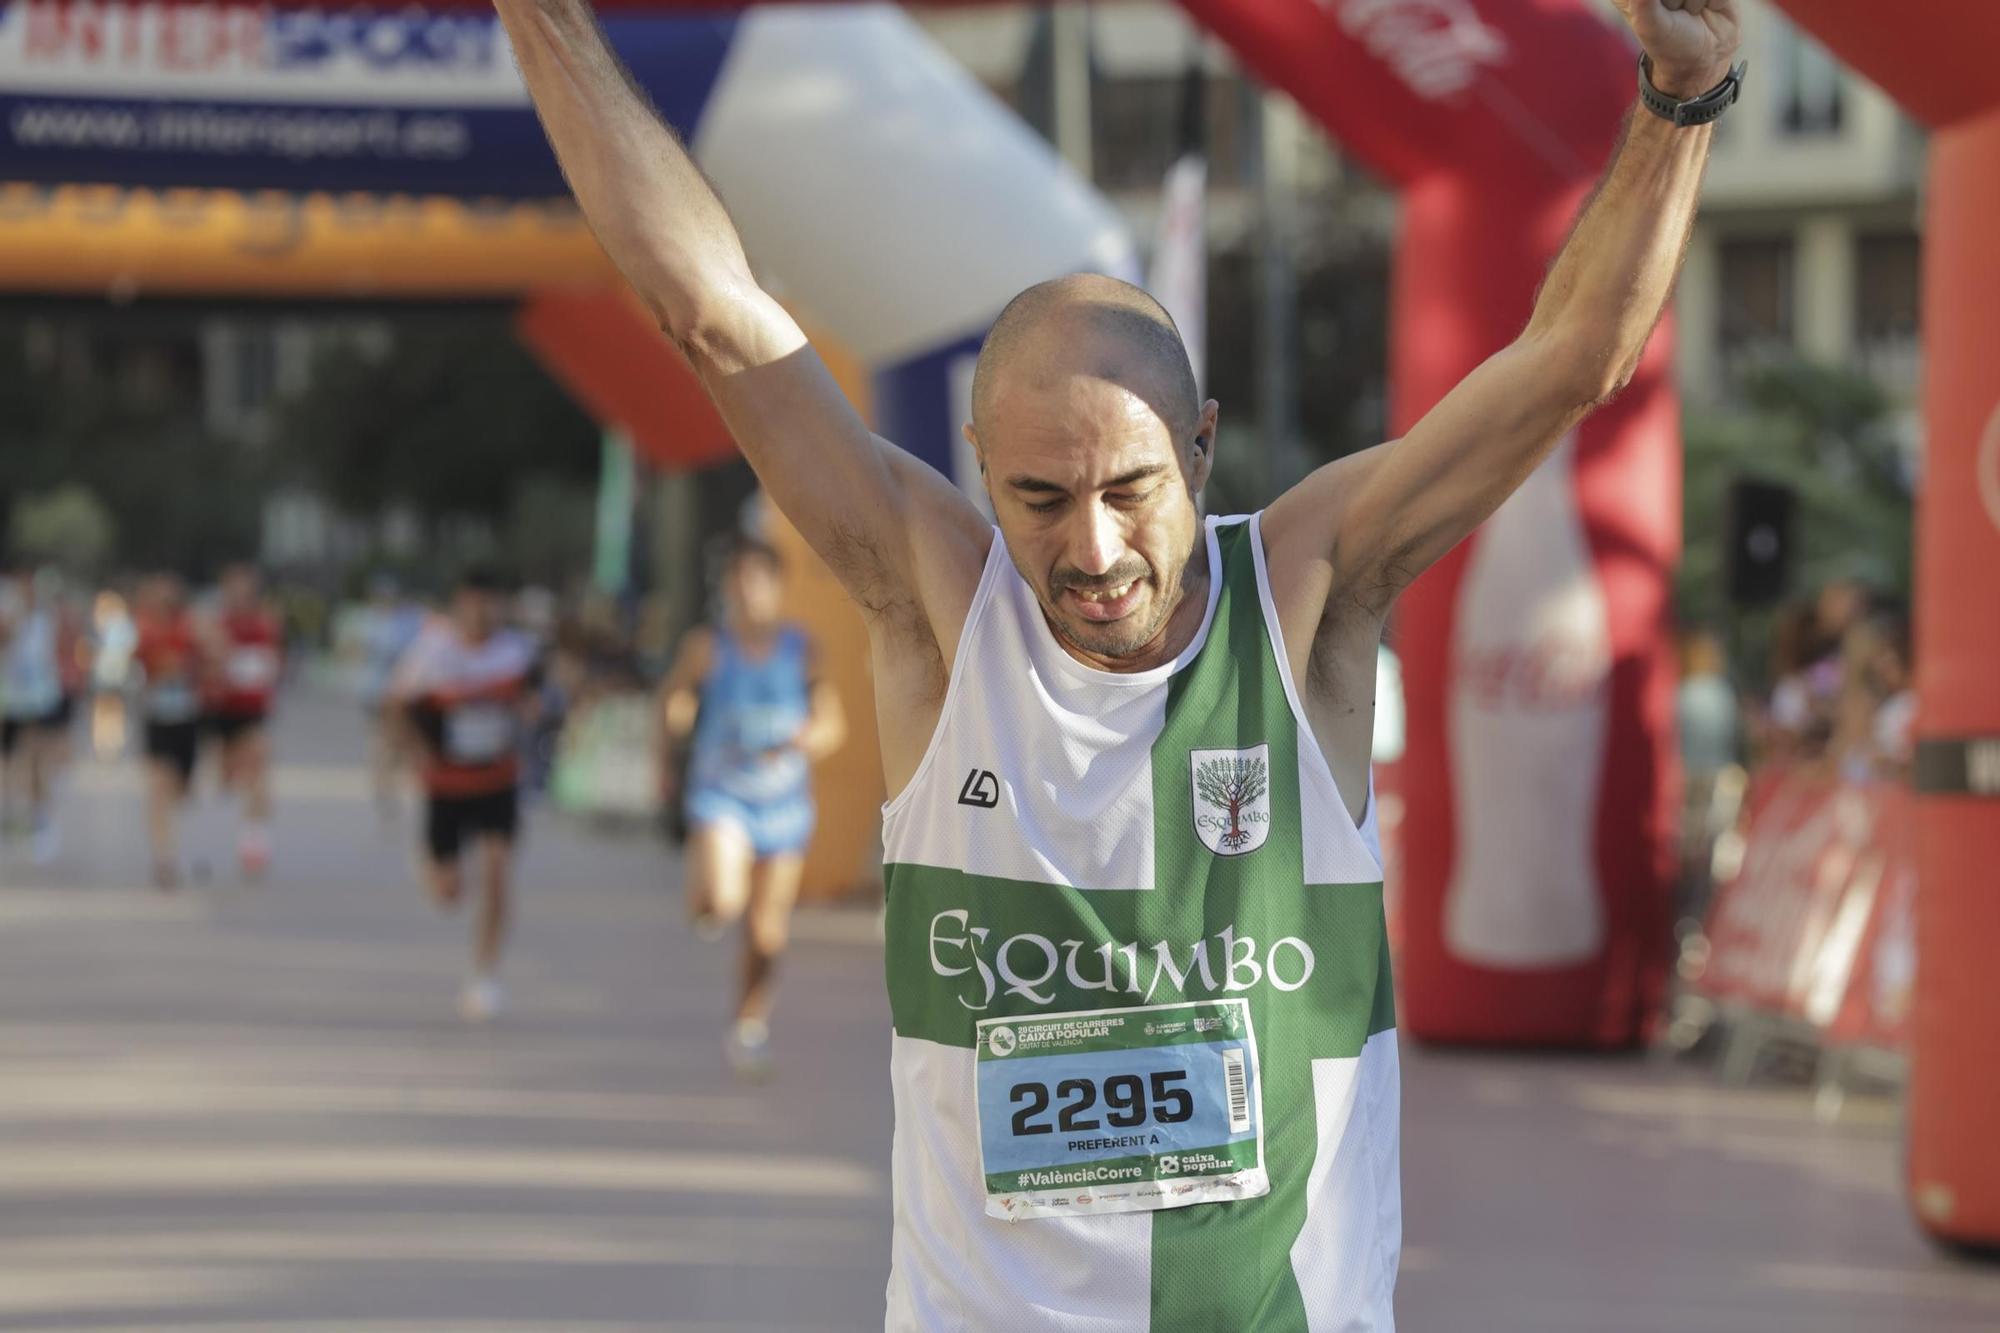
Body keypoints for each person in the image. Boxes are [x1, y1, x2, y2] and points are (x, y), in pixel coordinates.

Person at [498, 0, 1741, 1322]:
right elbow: (710, 311)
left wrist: (1679, 99)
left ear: (1201, 446)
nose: (1091, 548)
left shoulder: (1310, 588)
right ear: (979, 467)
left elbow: (1570, 363)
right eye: (1039, 496)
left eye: (1132, 488)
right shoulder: (936, 602)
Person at [658, 535, 847, 1075]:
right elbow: (674, 698)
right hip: (723, 793)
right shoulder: (707, 646)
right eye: (736, 581)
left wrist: (802, 740)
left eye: (756, 580)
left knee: (766, 933)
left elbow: (832, 722)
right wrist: (674, 725)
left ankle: (748, 1024)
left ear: (777, 587)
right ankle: (705, 901)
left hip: (784, 804)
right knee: (723, 900)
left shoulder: (800, 647)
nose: (745, 592)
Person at [389, 568, 540, 1021]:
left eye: (490, 603)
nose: (481, 613)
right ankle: (434, 863)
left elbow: (537, 701)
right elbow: (396, 704)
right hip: (446, 785)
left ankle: (484, 976)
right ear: (458, 604)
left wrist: (528, 721)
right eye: (473, 603)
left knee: (497, 874)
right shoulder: (432, 651)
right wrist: (414, 751)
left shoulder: (517, 652)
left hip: (497, 781)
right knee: (448, 893)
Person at [198, 564, 284, 881]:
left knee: (258, 770)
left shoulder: (264, 624)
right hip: (220, 712)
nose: (239, 598)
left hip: (251, 711)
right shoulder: (215, 624)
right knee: (225, 777)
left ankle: (254, 838)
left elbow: (271, 664)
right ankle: (229, 824)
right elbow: (204, 664)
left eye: (245, 592)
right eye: (233, 591)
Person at [132, 574, 205, 888]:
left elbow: (209, 660)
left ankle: (167, 847)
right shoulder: (144, 630)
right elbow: (139, 666)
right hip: (157, 719)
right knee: (158, 788)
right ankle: (164, 858)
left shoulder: (191, 629)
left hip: (187, 720)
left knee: (181, 790)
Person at [0, 567, 68, 864]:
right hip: (9, 700)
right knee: (9, 765)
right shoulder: (8, 619)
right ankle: (10, 821)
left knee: (37, 762)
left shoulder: (46, 621)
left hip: (39, 701)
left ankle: (41, 823)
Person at [354, 575, 427, 822]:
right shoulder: (373, 622)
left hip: (401, 694)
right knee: (385, 745)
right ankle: (385, 790)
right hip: (381, 695)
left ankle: (395, 787)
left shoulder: (406, 620)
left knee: (399, 745)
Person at [91, 587, 139, 759]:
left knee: (114, 705)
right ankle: (104, 739)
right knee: (104, 705)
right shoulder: (100, 625)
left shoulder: (122, 625)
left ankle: (112, 739)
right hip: (104, 671)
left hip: (117, 671)